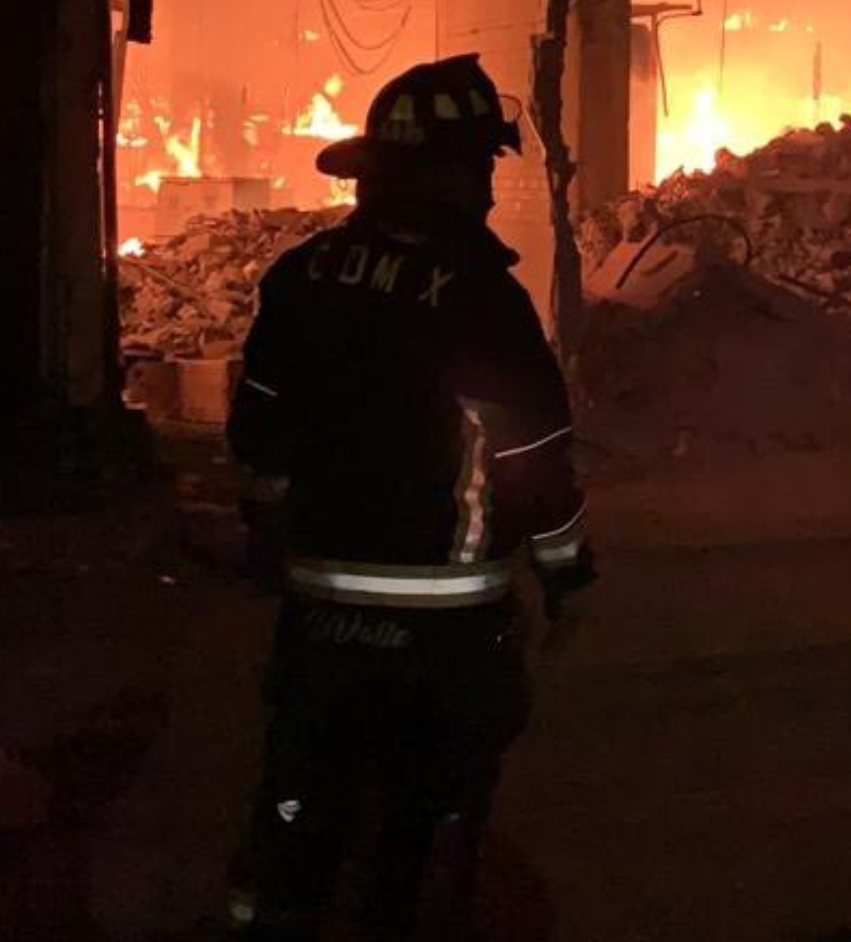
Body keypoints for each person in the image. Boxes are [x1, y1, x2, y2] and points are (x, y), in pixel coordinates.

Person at [225, 55, 595, 941]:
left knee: (299, 792)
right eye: (483, 167)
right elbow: (537, 456)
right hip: (447, 627)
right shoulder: (480, 297)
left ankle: (266, 917)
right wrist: (568, 570)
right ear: (454, 172)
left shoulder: (302, 274)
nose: (492, 190)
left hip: (317, 611)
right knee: (428, 816)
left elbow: (259, 432)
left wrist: (273, 532)